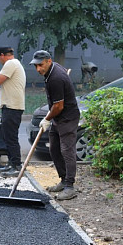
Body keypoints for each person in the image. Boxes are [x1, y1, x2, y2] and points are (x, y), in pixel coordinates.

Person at [29, 50, 80, 201]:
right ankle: (63, 180)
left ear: (49, 61)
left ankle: (70, 187)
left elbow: (58, 106)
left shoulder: (56, 78)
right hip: (58, 118)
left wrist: (46, 118)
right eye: (36, 66)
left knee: (67, 150)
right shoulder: (53, 70)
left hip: (67, 118)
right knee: (54, 148)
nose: (38, 69)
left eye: (41, 65)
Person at [0, 46, 26, 177]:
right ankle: (11, 163)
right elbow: (7, 87)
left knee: (11, 137)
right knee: (7, 136)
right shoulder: (16, 64)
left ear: (2, 55)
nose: (0, 60)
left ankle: (16, 166)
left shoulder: (11, 63)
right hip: (10, 106)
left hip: (12, 107)